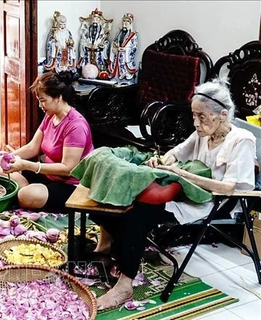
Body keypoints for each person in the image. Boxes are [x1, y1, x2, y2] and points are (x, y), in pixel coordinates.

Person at [93, 78, 256, 309]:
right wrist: (161, 161)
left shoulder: (242, 140)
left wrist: (181, 174)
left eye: (202, 116)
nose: (196, 122)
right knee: (118, 203)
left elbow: (230, 187)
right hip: (185, 192)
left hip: (215, 202)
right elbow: (176, 153)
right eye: (193, 115)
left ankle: (125, 286)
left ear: (223, 114)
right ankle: (118, 249)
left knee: (138, 216)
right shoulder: (202, 133)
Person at [0, 72, 94, 211]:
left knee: (28, 193)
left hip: (71, 186)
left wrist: (28, 165)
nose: (40, 105)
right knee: (1, 171)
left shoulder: (76, 125)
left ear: (58, 98)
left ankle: (26, 195)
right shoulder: (50, 116)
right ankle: (26, 195)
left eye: (43, 100)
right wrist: (2, 159)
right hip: (48, 176)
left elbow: (68, 169)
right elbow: (32, 147)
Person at [78, 8, 112, 76]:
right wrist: (86, 44)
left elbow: (106, 42)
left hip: (98, 52)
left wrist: (101, 45)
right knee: (87, 68)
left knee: (99, 67)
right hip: (88, 52)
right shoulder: (87, 30)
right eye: (93, 19)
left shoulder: (103, 31)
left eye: (97, 19)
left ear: (99, 20)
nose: (95, 21)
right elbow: (82, 40)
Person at [107, 13, 138, 85]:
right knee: (116, 67)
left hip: (125, 57)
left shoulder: (133, 35)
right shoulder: (118, 33)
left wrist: (126, 50)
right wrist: (114, 47)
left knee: (124, 68)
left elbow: (134, 47)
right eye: (123, 22)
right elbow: (114, 41)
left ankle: (125, 78)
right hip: (117, 54)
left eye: (126, 23)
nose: (124, 25)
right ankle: (116, 77)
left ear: (130, 24)